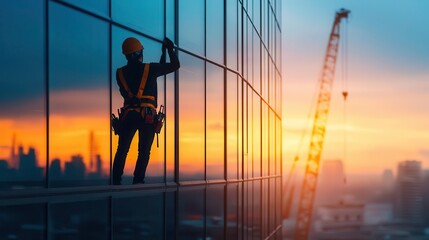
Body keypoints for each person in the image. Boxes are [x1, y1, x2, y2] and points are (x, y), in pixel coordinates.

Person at [112, 37, 180, 185]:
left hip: (128, 115)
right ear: (138, 53)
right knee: (143, 152)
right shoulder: (150, 69)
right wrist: (170, 49)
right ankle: (138, 180)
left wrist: (163, 55)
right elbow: (175, 66)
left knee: (122, 150)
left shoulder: (120, 73)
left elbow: (152, 75)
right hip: (147, 117)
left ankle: (116, 181)